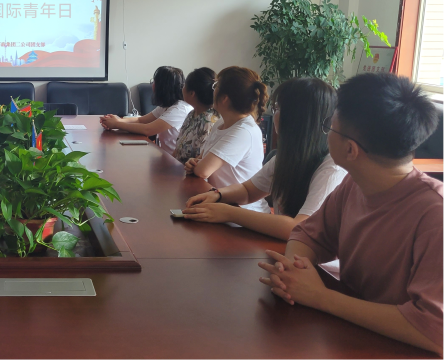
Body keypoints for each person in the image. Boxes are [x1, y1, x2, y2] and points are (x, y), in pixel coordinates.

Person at [258, 73, 442, 355]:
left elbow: (433, 329)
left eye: (329, 127)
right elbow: (307, 235)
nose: (325, 133)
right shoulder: (354, 183)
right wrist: (295, 271)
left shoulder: (435, 215)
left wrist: (320, 297)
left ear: (350, 149)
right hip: (349, 337)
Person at [183, 78, 346, 239]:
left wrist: (229, 213)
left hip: (307, 254)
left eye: (277, 108)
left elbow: (299, 228)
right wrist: (218, 195)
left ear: (296, 117)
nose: (274, 114)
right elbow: (248, 191)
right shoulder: (288, 156)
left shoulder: (332, 169)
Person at [184, 66, 268, 212]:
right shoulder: (221, 122)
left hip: (242, 211)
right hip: (218, 202)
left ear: (224, 98)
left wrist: (198, 165)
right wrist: (194, 163)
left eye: (216, 86)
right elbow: (201, 160)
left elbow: (203, 170)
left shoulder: (244, 132)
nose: (213, 90)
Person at [100, 66, 192, 153]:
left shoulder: (180, 109)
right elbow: (141, 120)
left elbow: (147, 129)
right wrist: (117, 120)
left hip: (177, 161)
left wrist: (116, 124)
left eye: (154, 81)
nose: (152, 85)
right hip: (165, 155)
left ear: (162, 87)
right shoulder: (167, 105)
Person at [173, 67, 218, 163]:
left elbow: (199, 160)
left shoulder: (208, 121)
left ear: (192, 93)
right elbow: (177, 150)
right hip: (177, 167)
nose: (182, 89)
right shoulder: (192, 114)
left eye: (184, 86)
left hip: (190, 170)